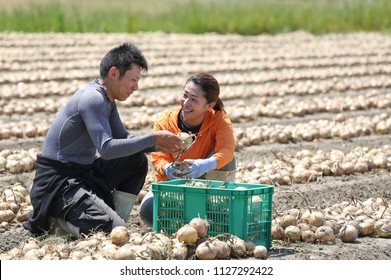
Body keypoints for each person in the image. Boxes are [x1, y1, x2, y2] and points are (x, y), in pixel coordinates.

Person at [23, 42, 184, 238]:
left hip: (81, 173)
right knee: (115, 230)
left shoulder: (108, 100)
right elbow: (106, 148)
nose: (136, 87)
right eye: (133, 79)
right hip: (59, 183)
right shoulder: (93, 98)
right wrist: (152, 138)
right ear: (114, 73)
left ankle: (112, 219)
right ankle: (58, 222)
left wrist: (159, 144)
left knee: (136, 160)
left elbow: (124, 138)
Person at [139, 72, 236, 227]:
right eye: (185, 95)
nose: (186, 102)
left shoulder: (219, 119)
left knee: (226, 161)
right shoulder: (165, 121)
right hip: (172, 185)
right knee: (149, 212)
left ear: (209, 105)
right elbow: (158, 157)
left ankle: (216, 207)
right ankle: (186, 219)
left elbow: (227, 150)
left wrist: (205, 165)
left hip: (205, 184)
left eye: (193, 99)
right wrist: (166, 168)